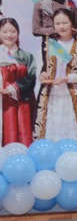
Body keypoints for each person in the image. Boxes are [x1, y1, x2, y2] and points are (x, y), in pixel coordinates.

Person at [33, 8, 77, 142]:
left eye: (65, 23)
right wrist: (42, 75)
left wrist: (68, 78)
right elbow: (39, 69)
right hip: (51, 97)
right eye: (57, 23)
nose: (61, 27)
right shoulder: (47, 44)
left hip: (74, 96)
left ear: (72, 24)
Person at [0, 17, 36, 145]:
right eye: (4, 32)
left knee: (24, 129)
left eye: (12, 31)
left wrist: (13, 88)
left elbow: (32, 77)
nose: (9, 35)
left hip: (23, 100)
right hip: (2, 101)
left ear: (18, 33)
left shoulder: (27, 56)